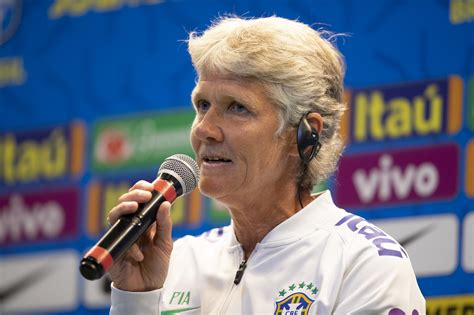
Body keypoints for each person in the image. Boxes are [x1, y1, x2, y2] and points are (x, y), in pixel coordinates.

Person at [108, 16, 425, 314]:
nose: (204, 128)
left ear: (304, 135)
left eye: (237, 107)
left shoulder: (364, 263)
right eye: (202, 105)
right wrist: (137, 297)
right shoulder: (179, 261)